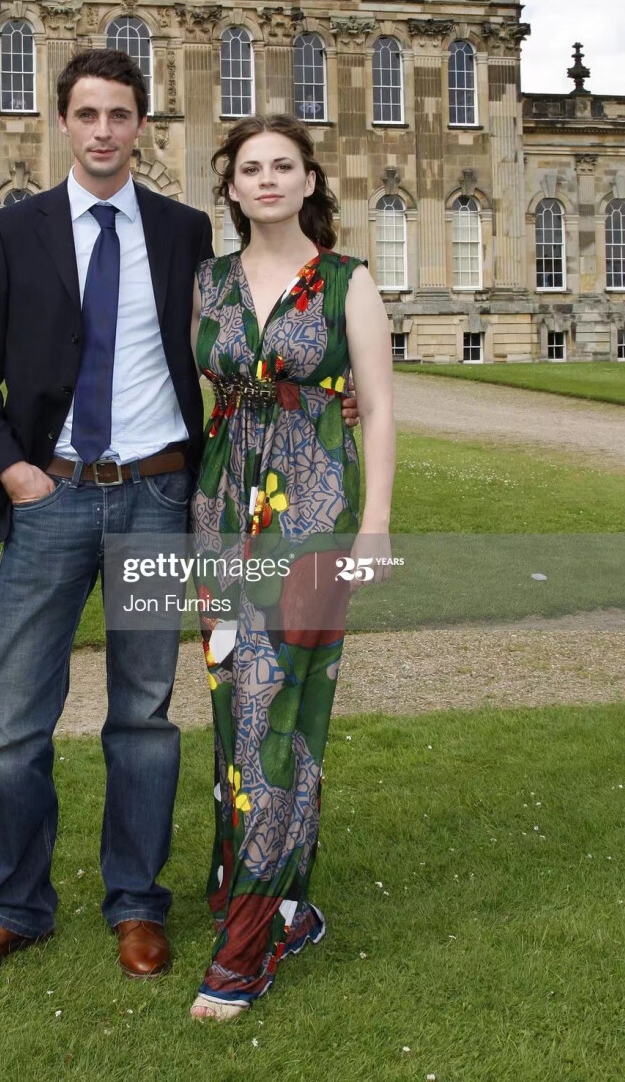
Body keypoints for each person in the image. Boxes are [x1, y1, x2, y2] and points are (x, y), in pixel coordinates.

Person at [0, 49, 213, 981]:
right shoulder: (14, 231)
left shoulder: (184, 231)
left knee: (143, 713)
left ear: (144, 125)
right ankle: (16, 906)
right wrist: (15, 472)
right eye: (87, 114)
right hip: (51, 496)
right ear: (63, 122)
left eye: (121, 114)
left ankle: (136, 902)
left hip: (155, 495)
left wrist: (329, 388)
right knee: (16, 718)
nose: (103, 130)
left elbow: (228, 345)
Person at [188, 113, 396, 1020]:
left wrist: (377, 525)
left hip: (314, 517)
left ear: (310, 180)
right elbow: (210, 392)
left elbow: (380, 410)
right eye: (249, 168)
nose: (267, 179)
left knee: (279, 709)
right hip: (219, 515)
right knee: (237, 706)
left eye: (284, 166)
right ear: (230, 188)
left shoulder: (348, 283)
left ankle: (243, 953)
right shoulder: (207, 283)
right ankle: (283, 902)